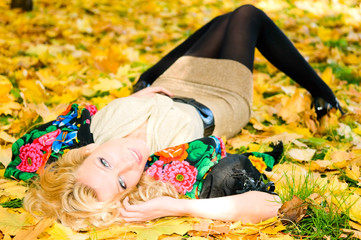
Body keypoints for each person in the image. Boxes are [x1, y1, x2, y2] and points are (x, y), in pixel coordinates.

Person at [6, 4, 343, 230]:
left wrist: (86, 150)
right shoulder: (170, 170)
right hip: (221, 98)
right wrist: (177, 207)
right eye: (124, 183)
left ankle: (149, 76)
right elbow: (270, 204)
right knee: (245, 16)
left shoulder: (89, 134)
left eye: (105, 164)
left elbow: (19, 157)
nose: (128, 162)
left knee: (223, 22)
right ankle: (323, 93)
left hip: (172, 82)